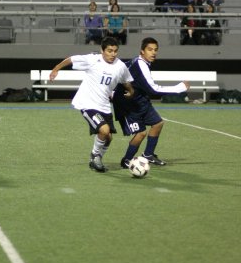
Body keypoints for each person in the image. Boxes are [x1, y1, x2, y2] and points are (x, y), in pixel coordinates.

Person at [49, 37, 134, 172]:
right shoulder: (93, 59)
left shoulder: (120, 66)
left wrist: (130, 91)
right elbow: (71, 59)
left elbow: (126, 81)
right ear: (102, 50)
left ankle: (96, 160)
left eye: (115, 51)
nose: (113, 54)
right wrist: (56, 69)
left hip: (105, 106)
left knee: (109, 137)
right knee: (104, 130)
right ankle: (95, 156)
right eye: (109, 51)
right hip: (87, 104)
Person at [113, 36, 190, 168]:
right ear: (142, 51)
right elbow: (153, 90)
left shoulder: (138, 62)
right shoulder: (140, 65)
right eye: (150, 49)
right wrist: (179, 88)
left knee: (158, 123)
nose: (153, 52)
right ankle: (126, 160)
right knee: (141, 133)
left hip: (141, 101)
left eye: (155, 50)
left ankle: (148, 155)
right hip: (128, 105)